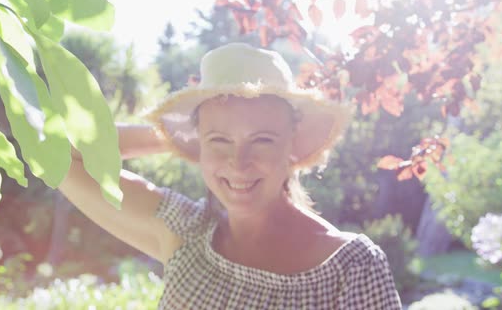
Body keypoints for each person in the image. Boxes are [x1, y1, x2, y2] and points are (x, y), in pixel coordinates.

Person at [59, 43, 402, 309]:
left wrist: (209, 136)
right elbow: (57, 154)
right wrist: (178, 139)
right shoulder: (184, 231)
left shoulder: (352, 267)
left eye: (262, 140)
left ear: (292, 147)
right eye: (221, 142)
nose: (239, 163)